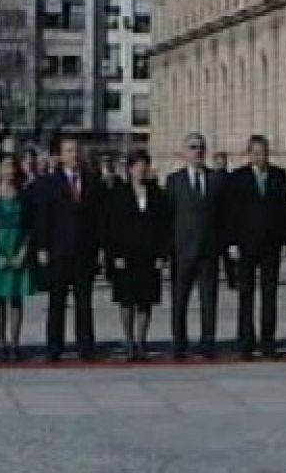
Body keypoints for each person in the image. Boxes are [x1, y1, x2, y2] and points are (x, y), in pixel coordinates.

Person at [34, 136, 103, 361]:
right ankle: (55, 346)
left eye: (76, 151)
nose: (74, 155)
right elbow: (44, 216)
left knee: (84, 301)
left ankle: (86, 346)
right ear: (61, 156)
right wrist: (42, 246)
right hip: (59, 249)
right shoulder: (50, 182)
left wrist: (99, 248)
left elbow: (97, 218)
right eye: (69, 151)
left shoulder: (92, 181)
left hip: (84, 250)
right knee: (57, 301)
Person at [224, 135, 286, 359]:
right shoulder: (237, 178)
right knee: (246, 294)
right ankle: (245, 341)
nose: (260, 156)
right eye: (255, 152)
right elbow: (231, 212)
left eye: (263, 152)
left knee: (269, 294)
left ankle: (268, 342)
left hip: (271, 244)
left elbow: (284, 211)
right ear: (249, 154)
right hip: (246, 244)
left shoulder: (279, 176)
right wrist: (231, 242)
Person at [103, 150, 170, 362]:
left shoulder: (157, 193)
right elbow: (111, 226)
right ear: (130, 169)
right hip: (125, 255)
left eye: (144, 165)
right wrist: (115, 254)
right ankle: (129, 340)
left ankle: (142, 341)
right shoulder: (118, 193)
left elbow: (164, 226)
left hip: (149, 255)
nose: (141, 170)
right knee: (126, 300)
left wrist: (162, 254)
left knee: (145, 300)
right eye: (137, 165)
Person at [164, 133, 226, 360]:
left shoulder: (216, 180)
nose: (197, 151)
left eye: (200, 147)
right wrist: (168, 249)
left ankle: (207, 343)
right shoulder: (174, 181)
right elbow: (168, 217)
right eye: (192, 147)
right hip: (182, 251)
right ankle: (179, 343)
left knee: (209, 301)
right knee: (180, 301)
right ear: (184, 152)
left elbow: (222, 216)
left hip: (209, 251)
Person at [0, 152, 36, 363]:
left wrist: (24, 251)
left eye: (12, 166)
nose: (9, 171)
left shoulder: (24, 194)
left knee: (16, 297)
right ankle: (1, 342)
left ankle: (15, 343)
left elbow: (31, 225)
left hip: (18, 244)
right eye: (5, 167)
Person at [213, 149, 240, 289]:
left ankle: (232, 279)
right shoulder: (211, 178)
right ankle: (230, 280)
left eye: (222, 161)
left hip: (225, 222)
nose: (221, 163)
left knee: (228, 255)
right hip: (217, 222)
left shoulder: (229, 178)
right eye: (218, 161)